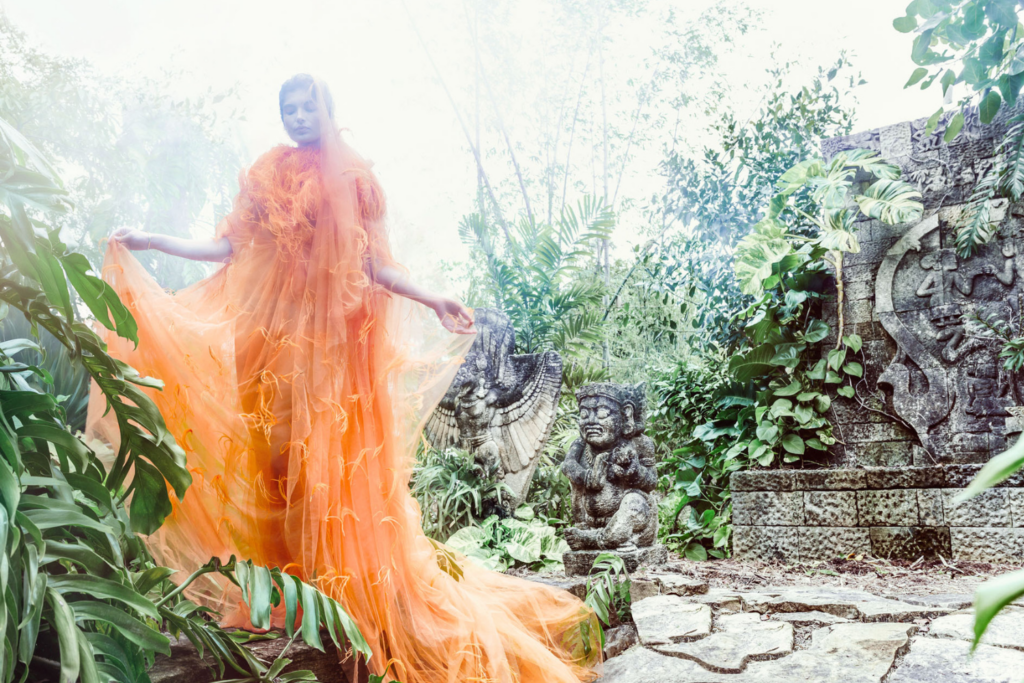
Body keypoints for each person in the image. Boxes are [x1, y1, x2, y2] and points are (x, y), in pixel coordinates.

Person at [88, 74, 601, 683]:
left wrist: (433, 298)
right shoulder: (268, 172)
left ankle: (341, 599)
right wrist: (150, 240)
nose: (299, 115)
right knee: (271, 467)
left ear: (329, 109)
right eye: (289, 107)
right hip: (263, 350)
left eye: (310, 105)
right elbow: (227, 247)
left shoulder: (351, 178)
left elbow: (373, 265)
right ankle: (287, 599)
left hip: (327, 359)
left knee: (327, 475)